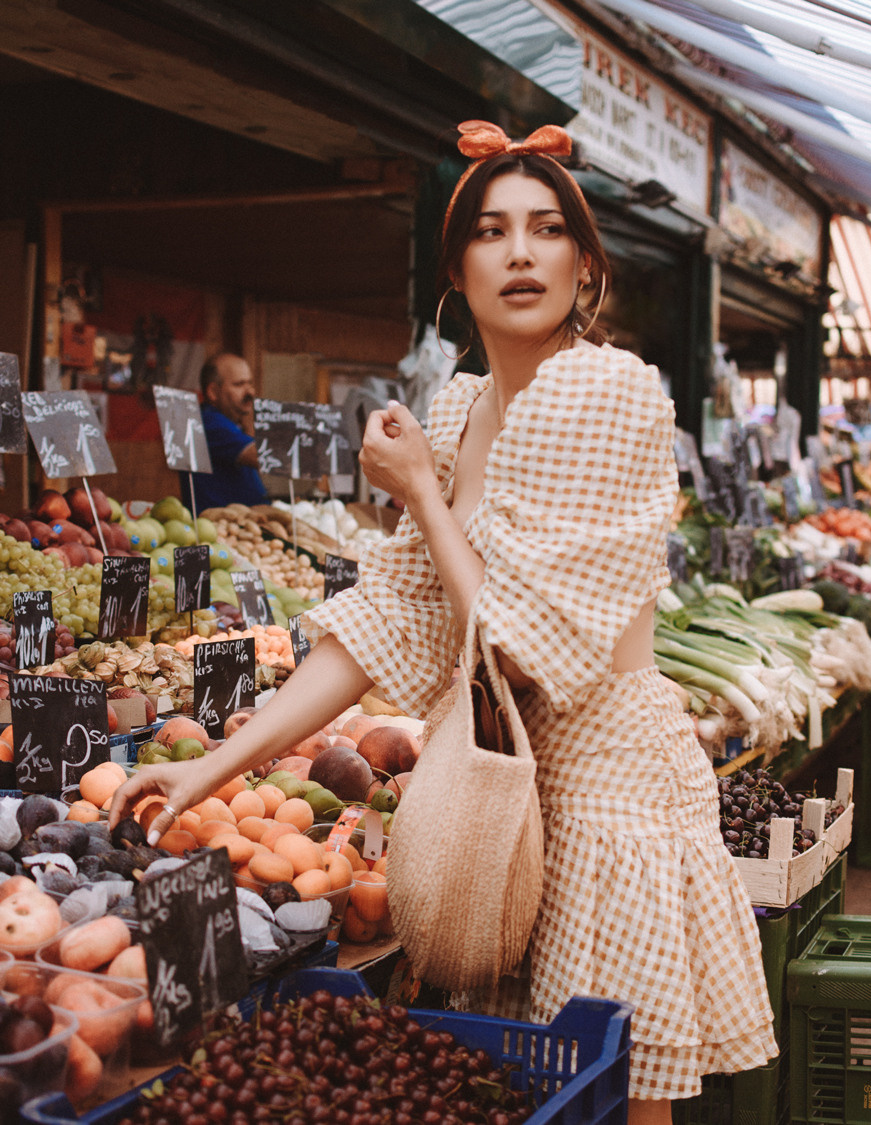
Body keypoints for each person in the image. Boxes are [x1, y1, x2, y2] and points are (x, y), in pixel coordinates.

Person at [112, 120, 777, 1122]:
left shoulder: (609, 393)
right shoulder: (461, 410)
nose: (520, 253)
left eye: (547, 229)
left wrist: (422, 493)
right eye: (491, 232)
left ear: (585, 265)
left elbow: (517, 651)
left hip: (610, 799)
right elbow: (387, 622)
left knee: (611, 1095)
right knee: (522, 1092)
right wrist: (210, 768)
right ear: (456, 274)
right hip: (495, 800)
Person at [180, 352, 267, 511]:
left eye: (250, 383)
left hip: (248, 519)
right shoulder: (207, 423)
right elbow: (262, 456)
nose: (251, 392)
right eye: (239, 384)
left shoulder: (228, 423)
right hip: (221, 522)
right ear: (213, 392)